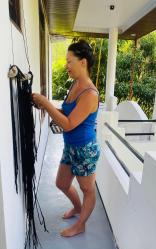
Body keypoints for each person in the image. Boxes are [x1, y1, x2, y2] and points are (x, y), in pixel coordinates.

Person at [32, 39, 100, 237]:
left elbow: (69, 124)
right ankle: (78, 209)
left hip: (85, 149)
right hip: (70, 146)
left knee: (87, 189)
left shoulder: (89, 93)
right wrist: (46, 106)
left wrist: (46, 102)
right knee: (62, 183)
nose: (66, 65)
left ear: (83, 62)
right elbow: (68, 112)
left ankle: (81, 224)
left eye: (70, 61)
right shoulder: (75, 85)